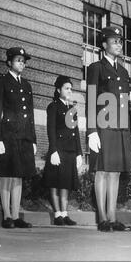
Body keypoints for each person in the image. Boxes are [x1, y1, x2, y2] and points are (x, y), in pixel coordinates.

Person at [86, 26, 131, 232]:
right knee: (102, 171)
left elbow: (126, 103)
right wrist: (91, 130)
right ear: (104, 44)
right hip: (103, 125)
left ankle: (112, 217)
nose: (119, 45)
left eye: (120, 41)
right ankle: (102, 219)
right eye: (114, 41)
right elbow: (91, 99)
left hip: (120, 128)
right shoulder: (96, 68)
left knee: (115, 172)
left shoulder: (124, 71)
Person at [0, 47, 37, 229]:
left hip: (24, 136)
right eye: (18, 60)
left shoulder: (26, 85)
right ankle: (7, 216)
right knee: (6, 175)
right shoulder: (1, 82)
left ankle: (17, 215)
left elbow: (31, 115)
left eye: (23, 60)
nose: (22, 63)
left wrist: (33, 139)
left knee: (19, 176)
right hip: (8, 135)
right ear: (9, 62)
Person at [44, 76, 83, 226]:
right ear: (58, 90)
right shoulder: (53, 107)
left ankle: (65, 213)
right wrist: (53, 150)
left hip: (70, 151)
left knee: (65, 183)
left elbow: (76, 132)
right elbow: (51, 130)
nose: (69, 91)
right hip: (58, 150)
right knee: (55, 183)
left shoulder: (71, 109)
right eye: (66, 88)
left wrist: (79, 153)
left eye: (70, 88)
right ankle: (57, 214)